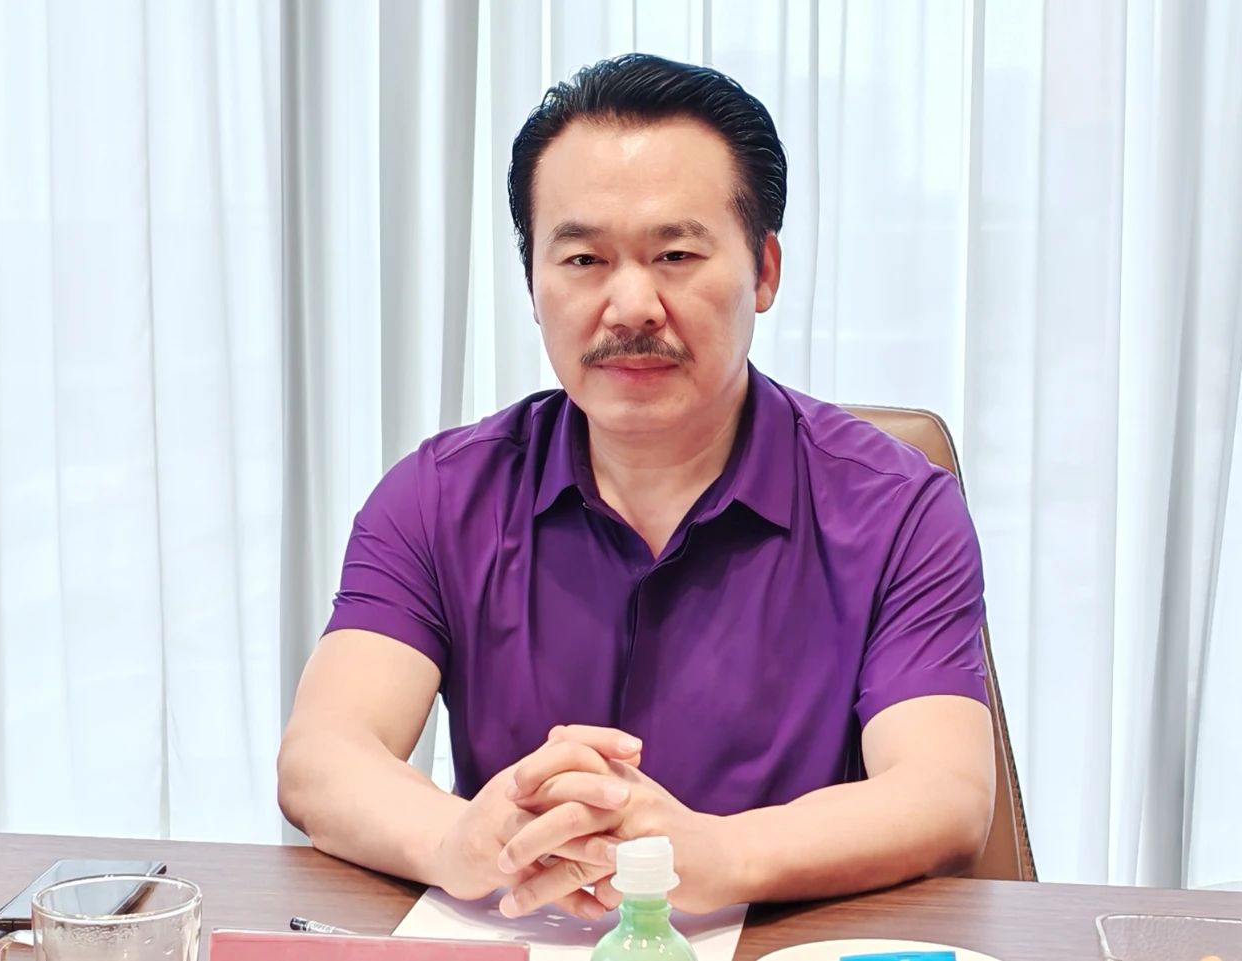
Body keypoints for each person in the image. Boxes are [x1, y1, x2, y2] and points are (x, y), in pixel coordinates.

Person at [277, 53, 995, 921]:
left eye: (676, 253)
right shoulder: (437, 498)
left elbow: (944, 792)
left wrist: (725, 854)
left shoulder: (900, 510)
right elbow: (323, 754)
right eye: (583, 258)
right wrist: (460, 838)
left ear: (765, 270)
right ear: (533, 285)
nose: (631, 306)